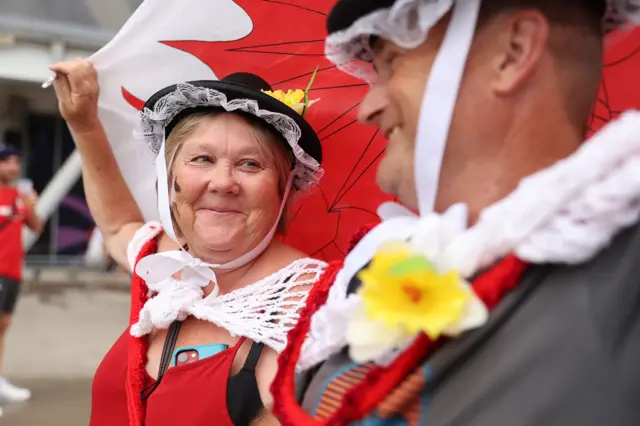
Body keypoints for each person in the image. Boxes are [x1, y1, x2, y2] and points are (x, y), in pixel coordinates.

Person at [271, 1, 640, 425]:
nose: (366, 109)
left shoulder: (623, 272)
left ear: (513, 52)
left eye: (393, 63)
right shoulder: (370, 271)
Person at [50, 59, 326, 425]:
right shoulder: (159, 259)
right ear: (170, 178)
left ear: (284, 187)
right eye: (202, 159)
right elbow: (118, 225)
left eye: (250, 164)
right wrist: (84, 125)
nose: (223, 182)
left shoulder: (312, 309)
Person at [0, 143, 43, 403]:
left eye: (17, 162)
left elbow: (36, 226)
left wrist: (31, 205)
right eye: (7, 162)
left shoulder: (18, 195)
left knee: (3, 326)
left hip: (13, 272)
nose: (14, 167)